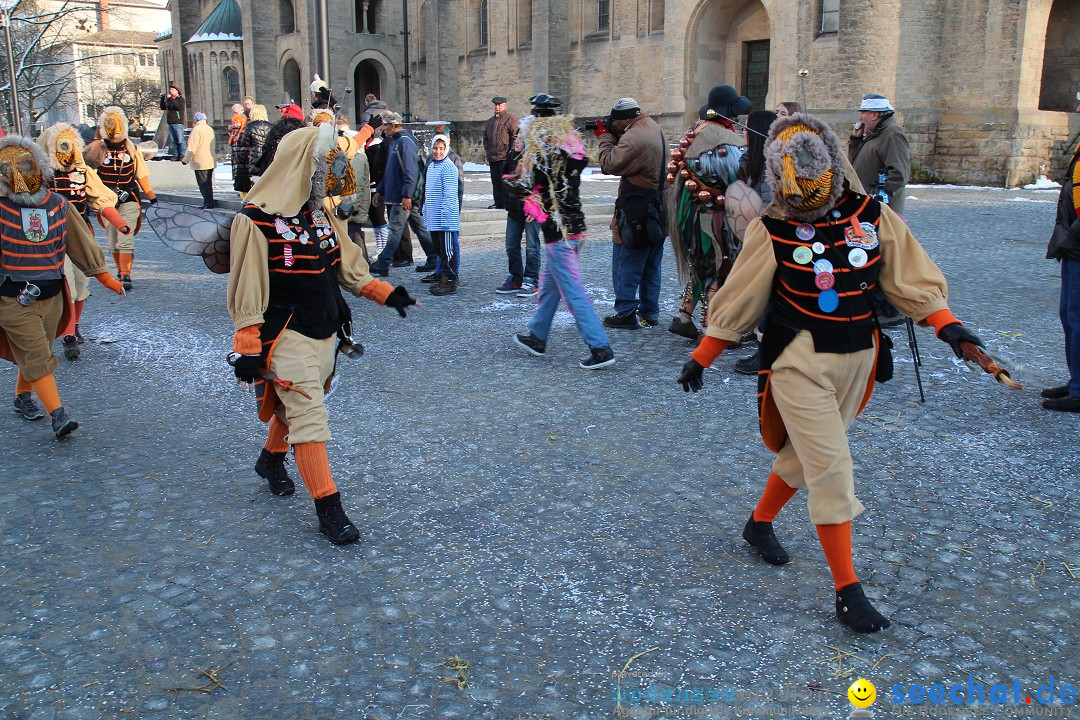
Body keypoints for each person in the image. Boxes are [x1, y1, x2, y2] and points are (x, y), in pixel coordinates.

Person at [675, 113, 989, 633]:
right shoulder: (771, 228)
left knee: (804, 456)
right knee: (831, 467)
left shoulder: (870, 215)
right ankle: (848, 591)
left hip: (858, 360)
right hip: (797, 360)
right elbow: (742, 297)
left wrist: (949, 327)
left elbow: (908, 275)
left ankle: (759, 524)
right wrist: (703, 355)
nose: (803, 201)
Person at [228, 123, 417, 544]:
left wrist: (388, 295)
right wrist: (246, 343)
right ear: (302, 167)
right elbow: (247, 287)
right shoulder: (254, 220)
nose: (330, 177)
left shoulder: (320, 214)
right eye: (324, 168)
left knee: (299, 401)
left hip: (327, 329)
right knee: (310, 415)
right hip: (286, 333)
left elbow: (349, 267)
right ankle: (329, 508)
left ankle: (271, 459)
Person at [0, 135, 126, 438]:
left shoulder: (58, 205)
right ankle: (58, 415)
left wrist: (104, 276)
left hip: (54, 294)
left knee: (36, 351)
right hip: (13, 296)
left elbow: (80, 242)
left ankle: (21, 397)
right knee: (36, 353)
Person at [511, 94, 615, 370]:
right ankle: (537, 336)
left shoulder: (544, 152)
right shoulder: (569, 146)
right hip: (574, 228)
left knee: (572, 291)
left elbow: (528, 187)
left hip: (560, 234)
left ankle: (600, 347)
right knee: (550, 285)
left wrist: (518, 176)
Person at [37, 123, 131, 360]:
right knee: (65, 285)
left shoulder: (83, 172)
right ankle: (67, 336)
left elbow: (101, 199)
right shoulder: (41, 174)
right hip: (52, 238)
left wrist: (119, 222)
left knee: (80, 285)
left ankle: (74, 325)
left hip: (80, 233)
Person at [664, 84, 750, 340]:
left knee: (703, 266)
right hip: (710, 216)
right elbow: (736, 176)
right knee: (720, 265)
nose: (737, 118)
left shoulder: (698, 130)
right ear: (728, 112)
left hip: (695, 212)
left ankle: (683, 316)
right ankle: (712, 329)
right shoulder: (719, 138)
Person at [595, 97, 667, 329]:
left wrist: (605, 137)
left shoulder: (635, 136)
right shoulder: (652, 127)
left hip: (637, 210)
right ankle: (650, 312)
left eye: (615, 122)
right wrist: (616, 134)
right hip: (657, 208)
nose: (613, 125)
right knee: (650, 266)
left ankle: (626, 313)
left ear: (624, 119)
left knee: (627, 263)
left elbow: (610, 163)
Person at [848, 93, 910, 326]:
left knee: (883, 257)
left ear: (875, 114)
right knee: (870, 255)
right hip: (868, 205)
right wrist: (856, 141)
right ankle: (877, 305)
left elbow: (899, 174)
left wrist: (877, 198)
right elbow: (855, 167)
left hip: (881, 209)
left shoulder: (892, 135)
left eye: (863, 113)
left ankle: (890, 310)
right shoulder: (875, 134)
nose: (860, 117)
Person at [83, 106, 158, 290]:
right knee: (112, 238)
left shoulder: (132, 148)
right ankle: (119, 269)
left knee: (125, 235)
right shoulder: (96, 150)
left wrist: (151, 196)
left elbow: (141, 174)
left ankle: (125, 274)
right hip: (107, 200)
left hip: (129, 197)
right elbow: (88, 175)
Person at [730, 109, 778, 376]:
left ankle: (768, 355)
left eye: (747, 128)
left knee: (770, 298)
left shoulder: (772, 165)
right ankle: (765, 349)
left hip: (770, 244)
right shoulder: (754, 160)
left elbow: (773, 209)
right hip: (757, 240)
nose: (743, 132)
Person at [1043, 91, 1080, 413]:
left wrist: (1072, 236)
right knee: (1070, 317)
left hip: (1078, 246)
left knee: (1077, 317)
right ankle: (1077, 379)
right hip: (1074, 247)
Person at [368, 112, 437, 277]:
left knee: (395, 230)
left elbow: (410, 172)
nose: (383, 129)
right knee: (420, 228)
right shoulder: (395, 142)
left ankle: (383, 263)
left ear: (393, 126)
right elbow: (390, 172)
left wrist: (407, 195)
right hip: (398, 195)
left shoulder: (404, 143)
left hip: (402, 197)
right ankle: (435, 258)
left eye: (385, 125)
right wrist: (380, 191)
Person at [495, 134, 542, 296]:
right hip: (514, 210)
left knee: (532, 247)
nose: (516, 141)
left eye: (520, 138)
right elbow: (505, 178)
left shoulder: (537, 159)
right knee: (511, 245)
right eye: (516, 138)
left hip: (531, 212)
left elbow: (543, 186)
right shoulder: (513, 156)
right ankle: (515, 278)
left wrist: (536, 206)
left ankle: (531, 280)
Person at [422, 134, 461, 295]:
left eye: (441, 149)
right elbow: (428, 192)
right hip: (434, 217)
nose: (437, 151)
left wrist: (446, 215)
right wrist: (426, 211)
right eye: (435, 148)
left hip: (444, 218)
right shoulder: (431, 166)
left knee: (447, 250)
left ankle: (450, 279)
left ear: (446, 150)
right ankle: (443, 276)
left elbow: (450, 194)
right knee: (439, 250)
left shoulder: (448, 167)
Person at [483, 96, 517, 210]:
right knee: (495, 181)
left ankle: (507, 202)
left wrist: (511, 153)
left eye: (500, 105)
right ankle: (498, 202)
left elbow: (514, 137)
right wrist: (488, 149)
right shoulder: (490, 121)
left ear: (504, 105)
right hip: (493, 156)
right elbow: (485, 138)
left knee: (505, 180)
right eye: (496, 105)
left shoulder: (510, 119)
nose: (497, 107)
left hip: (505, 156)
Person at [234, 104, 271, 196]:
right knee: (268, 185)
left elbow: (244, 144)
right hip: (268, 159)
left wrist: (240, 158)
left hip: (255, 158)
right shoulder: (272, 126)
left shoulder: (250, 126)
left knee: (257, 186)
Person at [184, 112, 216, 209]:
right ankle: (210, 202)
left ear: (196, 119)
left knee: (202, 183)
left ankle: (207, 203)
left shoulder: (196, 130)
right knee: (208, 182)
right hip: (210, 159)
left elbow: (192, 147)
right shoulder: (210, 129)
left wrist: (186, 160)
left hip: (200, 161)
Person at [159, 83, 187, 159]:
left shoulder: (180, 99)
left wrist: (172, 99)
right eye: (171, 90)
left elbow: (179, 107)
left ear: (177, 91)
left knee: (180, 139)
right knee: (174, 140)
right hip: (170, 121)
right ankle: (176, 155)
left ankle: (183, 154)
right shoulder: (169, 100)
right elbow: (163, 107)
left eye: (173, 90)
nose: (171, 91)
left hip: (178, 122)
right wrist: (162, 99)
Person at [228, 103, 247, 189]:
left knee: (243, 173)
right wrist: (231, 129)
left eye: (236, 112)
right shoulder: (235, 121)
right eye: (233, 113)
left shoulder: (245, 121)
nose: (234, 115)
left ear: (241, 111)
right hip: (236, 151)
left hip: (242, 151)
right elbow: (233, 135)